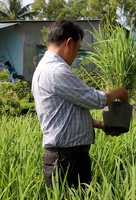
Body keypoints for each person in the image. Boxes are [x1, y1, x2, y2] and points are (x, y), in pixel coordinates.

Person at [31, 20, 129, 189]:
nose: (77, 54)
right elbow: (95, 100)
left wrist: (101, 125)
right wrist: (118, 92)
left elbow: (67, 114)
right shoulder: (56, 70)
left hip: (66, 157)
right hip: (66, 160)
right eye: (78, 48)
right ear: (69, 43)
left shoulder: (45, 67)